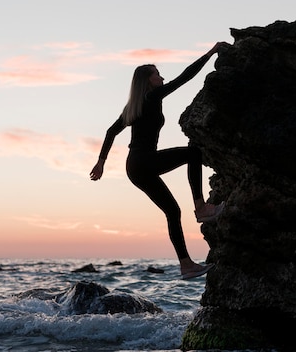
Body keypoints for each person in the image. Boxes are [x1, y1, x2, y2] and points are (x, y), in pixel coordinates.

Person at [90, 42, 229, 280]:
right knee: (193, 152)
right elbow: (184, 77)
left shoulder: (134, 106)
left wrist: (101, 162)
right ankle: (201, 207)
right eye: (157, 74)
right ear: (149, 81)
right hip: (144, 161)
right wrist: (209, 53)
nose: (162, 77)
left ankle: (186, 265)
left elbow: (111, 131)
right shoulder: (152, 97)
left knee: (173, 211)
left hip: (135, 167)